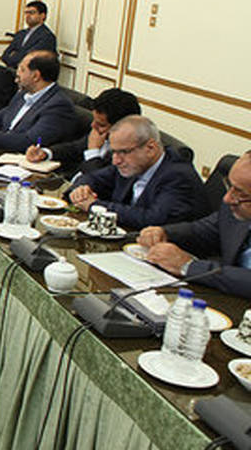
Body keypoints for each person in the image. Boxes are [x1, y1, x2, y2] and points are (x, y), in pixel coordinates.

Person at [139, 151, 251, 299]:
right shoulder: (234, 206)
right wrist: (165, 233)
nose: (227, 198)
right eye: (229, 185)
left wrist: (188, 266)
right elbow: (204, 230)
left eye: (241, 193)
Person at [66, 116, 206, 230]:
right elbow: (92, 177)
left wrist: (95, 206)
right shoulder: (132, 163)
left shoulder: (178, 176)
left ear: (150, 148)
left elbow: (152, 219)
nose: (116, 161)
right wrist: (81, 190)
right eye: (114, 152)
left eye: (123, 152)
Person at [25, 88, 140, 177]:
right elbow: (74, 148)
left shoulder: (129, 157)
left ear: (123, 128)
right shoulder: (99, 134)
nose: (93, 126)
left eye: (101, 124)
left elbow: (101, 183)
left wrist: (93, 151)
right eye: (94, 120)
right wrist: (45, 153)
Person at [0, 0, 58, 69]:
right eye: (26, 13)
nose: (27, 16)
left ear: (42, 15)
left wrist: (14, 56)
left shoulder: (47, 36)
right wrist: (15, 58)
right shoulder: (21, 33)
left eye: (32, 13)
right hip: (13, 70)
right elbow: (5, 56)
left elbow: (29, 57)